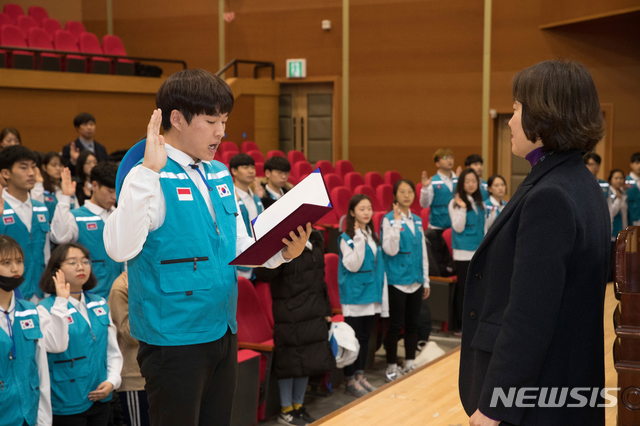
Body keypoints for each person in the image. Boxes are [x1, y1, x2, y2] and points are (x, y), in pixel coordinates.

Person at [103, 68, 310, 426]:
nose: (221, 132)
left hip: (222, 328)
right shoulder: (144, 173)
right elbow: (120, 248)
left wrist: (282, 251)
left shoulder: (217, 172)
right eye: (211, 120)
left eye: (224, 121)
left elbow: (238, 244)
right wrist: (147, 173)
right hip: (174, 338)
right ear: (177, 119)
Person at [459, 60, 610, 426]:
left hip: (536, 401)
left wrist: (495, 405)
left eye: (515, 109)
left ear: (543, 115)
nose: (510, 121)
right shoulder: (581, 182)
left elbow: (530, 315)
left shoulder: (550, 197)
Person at [254, 229, 335, 426]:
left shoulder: (315, 238)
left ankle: (298, 406)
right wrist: (282, 253)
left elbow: (320, 279)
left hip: (313, 310)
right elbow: (263, 273)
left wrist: (326, 310)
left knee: (309, 359)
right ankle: (286, 409)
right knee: (289, 362)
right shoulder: (282, 241)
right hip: (289, 312)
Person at [38, 243, 123, 426]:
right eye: (72, 262)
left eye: (85, 261)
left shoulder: (99, 303)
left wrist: (112, 380)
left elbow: (112, 350)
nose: (81, 267)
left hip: (101, 397)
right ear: (56, 270)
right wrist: (61, 300)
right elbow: (56, 345)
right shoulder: (44, 309)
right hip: (66, 400)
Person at [0, 235, 69, 426]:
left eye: (19, 261)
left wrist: (61, 302)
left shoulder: (31, 311)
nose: (15, 268)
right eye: (6, 262)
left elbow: (57, 345)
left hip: (28, 414)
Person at [381, 179, 430, 382]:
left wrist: (426, 280)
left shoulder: (418, 220)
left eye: (410, 191)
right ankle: (391, 364)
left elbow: (423, 252)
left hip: (416, 280)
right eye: (402, 192)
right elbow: (389, 250)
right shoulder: (388, 220)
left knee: (413, 324)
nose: (407, 195)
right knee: (395, 325)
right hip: (397, 280)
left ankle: (409, 361)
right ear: (395, 195)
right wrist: (398, 222)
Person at [51, 162, 123, 298]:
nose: (114, 197)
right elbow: (59, 237)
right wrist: (65, 197)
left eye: (117, 191)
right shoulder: (76, 216)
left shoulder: (120, 215)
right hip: (89, 294)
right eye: (110, 191)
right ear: (94, 186)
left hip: (120, 294)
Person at [338, 194, 385, 397]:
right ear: (352, 212)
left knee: (365, 338)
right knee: (353, 339)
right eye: (362, 209)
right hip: (355, 295)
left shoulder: (371, 234)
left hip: (371, 293)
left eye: (369, 208)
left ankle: (360, 374)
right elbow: (353, 265)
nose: (367, 212)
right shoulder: (346, 238)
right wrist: (357, 239)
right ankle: (349, 379)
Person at [0, 145, 51, 301]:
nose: (31, 173)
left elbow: (47, 252)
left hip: (40, 292)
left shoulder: (41, 208)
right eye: (23, 168)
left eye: (33, 167)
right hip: (7, 294)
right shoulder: (1, 208)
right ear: (6, 173)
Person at [108, 271, 150, 426]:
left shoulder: (157, 277)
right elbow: (129, 335)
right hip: (135, 378)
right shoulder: (122, 285)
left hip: (163, 372)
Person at [448, 168, 485, 333]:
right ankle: (459, 325)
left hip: (477, 249)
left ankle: (472, 323)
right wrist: (462, 208)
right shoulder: (455, 202)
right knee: (463, 289)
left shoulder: (479, 202)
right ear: (462, 184)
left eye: (474, 181)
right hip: (463, 252)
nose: (471, 184)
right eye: (467, 181)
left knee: (476, 289)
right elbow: (458, 227)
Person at [420, 148, 456, 276]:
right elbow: (424, 204)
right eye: (445, 158)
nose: (450, 160)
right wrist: (425, 188)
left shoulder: (458, 179)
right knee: (441, 265)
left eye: (451, 157)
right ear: (437, 163)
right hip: (438, 228)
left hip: (455, 227)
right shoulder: (432, 181)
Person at [230, 153, 265, 279]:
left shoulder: (256, 198)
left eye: (252, 167)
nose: (251, 171)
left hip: (259, 258)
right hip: (239, 261)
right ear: (234, 171)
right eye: (245, 167)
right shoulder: (230, 197)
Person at [32, 152, 77, 217]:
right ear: (44, 167)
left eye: (60, 165)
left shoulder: (68, 187)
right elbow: (36, 207)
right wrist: (38, 184)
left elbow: (76, 209)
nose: (58, 168)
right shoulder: (40, 186)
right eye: (53, 165)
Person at [626, 152, 640, 226]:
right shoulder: (625, 181)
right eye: (637, 163)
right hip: (631, 221)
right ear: (631, 164)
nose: (639, 165)